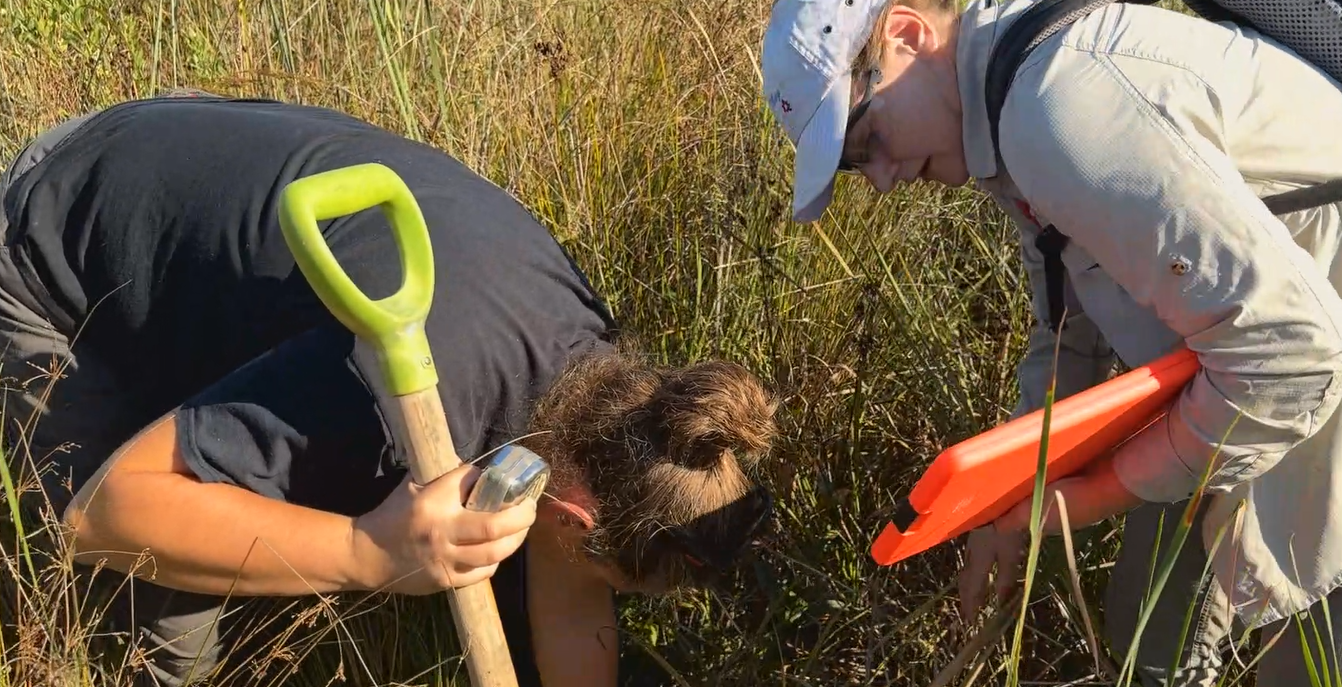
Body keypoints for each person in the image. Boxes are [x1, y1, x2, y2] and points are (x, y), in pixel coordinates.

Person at [757, 0, 1342, 685]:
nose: (882, 180)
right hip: (1263, 385)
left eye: (868, 138)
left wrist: (1083, 501)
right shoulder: (1012, 106)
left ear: (908, 34)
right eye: (857, 168)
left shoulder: (1061, 104)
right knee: (1149, 631)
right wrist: (1004, 501)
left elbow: (1292, 356)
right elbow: (1067, 323)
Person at [0, 92, 779, 687]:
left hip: (194, 174)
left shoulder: (605, 394)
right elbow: (106, 512)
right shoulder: (372, 400)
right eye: (613, 574)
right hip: (55, 245)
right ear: (576, 516)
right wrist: (367, 551)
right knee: (172, 639)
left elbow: (572, 592)